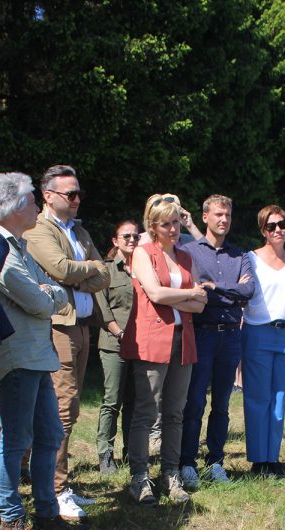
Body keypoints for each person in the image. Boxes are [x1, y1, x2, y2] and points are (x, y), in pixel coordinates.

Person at [0, 172, 82, 530]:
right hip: (18, 356)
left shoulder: (19, 247)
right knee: (15, 440)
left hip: (37, 356)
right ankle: (10, 518)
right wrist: (48, 295)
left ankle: (46, 513)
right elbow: (42, 301)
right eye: (32, 201)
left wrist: (48, 294)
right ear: (14, 207)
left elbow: (50, 292)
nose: (38, 208)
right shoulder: (0, 249)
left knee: (49, 435)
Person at [23, 165, 111, 521]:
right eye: (69, 194)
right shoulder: (38, 230)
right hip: (58, 327)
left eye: (79, 194)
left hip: (80, 326)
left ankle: (60, 484)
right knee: (62, 406)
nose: (77, 200)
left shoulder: (79, 230)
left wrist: (84, 271)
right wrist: (84, 269)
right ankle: (54, 490)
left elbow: (103, 273)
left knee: (71, 408)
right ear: (48, 196)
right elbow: (60, 269)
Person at [122, 193, 206, 504]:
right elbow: (155, 294)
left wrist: (184, 296)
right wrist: (187, 293)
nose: (173, 229)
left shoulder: (185, 257)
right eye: (166, 224)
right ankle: (139, 476)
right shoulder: (143, 253)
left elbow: (200, 304)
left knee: (175, 413)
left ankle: (170, 475)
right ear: (153, 226)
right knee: (146, 412)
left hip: (183, 341)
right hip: (152, 341)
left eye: (176, 222)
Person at [178, 195, 254, 488]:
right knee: (194, 401)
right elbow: (195, 291)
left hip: (231, 335)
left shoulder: (240, 255)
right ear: (205, 217)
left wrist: (216, 288)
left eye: (228, 215)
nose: (224, 220)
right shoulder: (190, 252)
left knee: (222, 403)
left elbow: (249, 291)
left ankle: (216, 462)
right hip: (202, 332)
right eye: (219, 214)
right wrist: (224, 291)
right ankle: (187, 463)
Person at [242, 205, 285, 477]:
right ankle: (259, 460)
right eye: (271, 226)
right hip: (258, 331)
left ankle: (273, 458)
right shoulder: (251, 258)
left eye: (282, 224)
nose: (278, 230)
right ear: (263, 231)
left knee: (279, 398)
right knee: (258, 398)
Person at [95, 220, 139, 475]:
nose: (132, 240)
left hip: (141, 345)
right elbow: (103, 310)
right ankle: (105, 454)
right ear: (115, 240)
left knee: (135, 401)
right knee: (113, 400)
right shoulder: (107, 270)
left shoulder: (144, 269)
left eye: (135, 236)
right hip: (114, 343)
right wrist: (120, 332)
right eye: (126, 236)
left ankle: (132, 452)